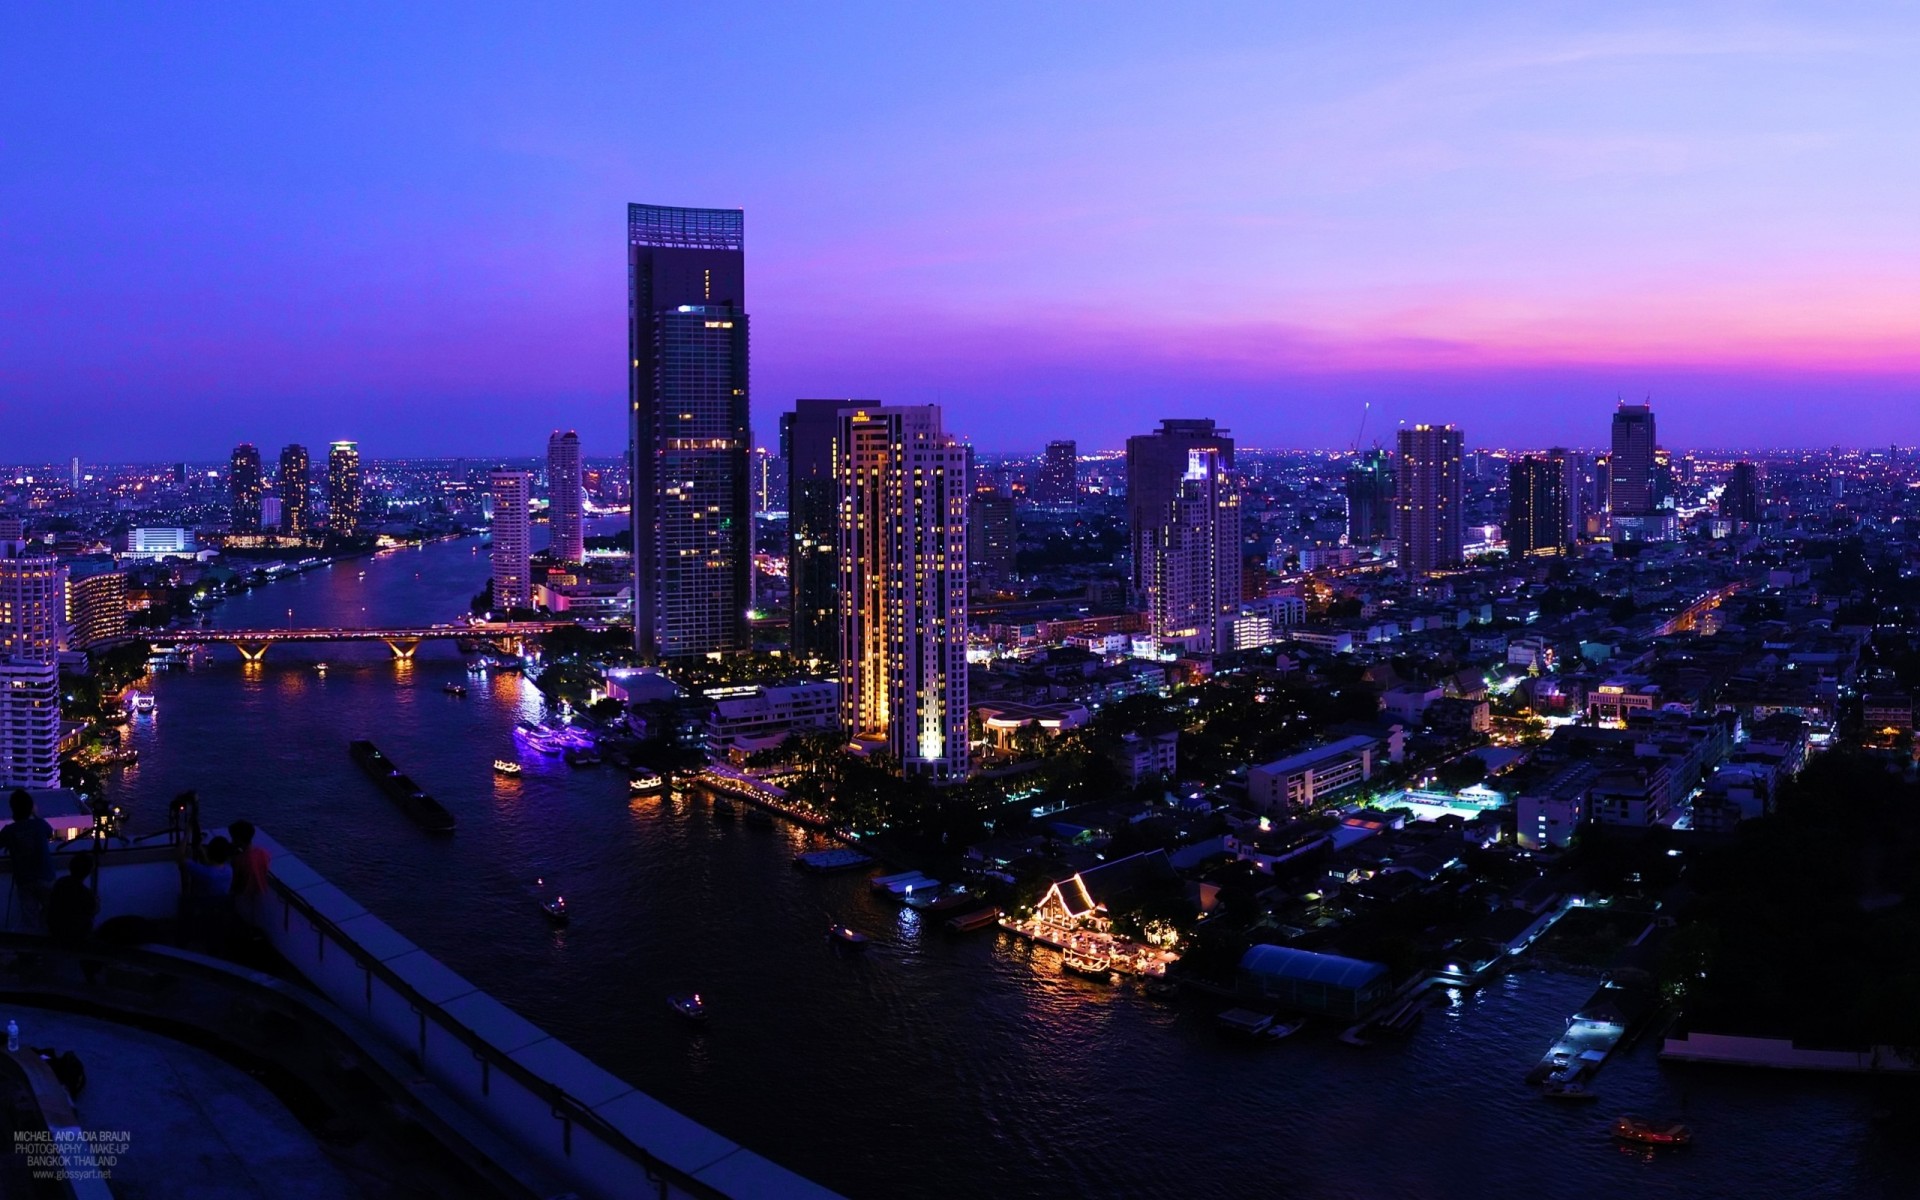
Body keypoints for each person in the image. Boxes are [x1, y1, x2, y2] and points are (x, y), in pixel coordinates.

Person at [2, 789, 57, 918]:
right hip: (45, 875)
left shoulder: (9, 831)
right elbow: (50, 833)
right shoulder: (40, 825)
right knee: (51, 913)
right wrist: (36, 814)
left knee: (30, 917)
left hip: (24, 879)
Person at [228, 819, 271, 917]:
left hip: (243, 896)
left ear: (237, 840)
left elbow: (235, 881)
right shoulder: (263, 853)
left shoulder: (238, 860)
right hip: (261, 893)